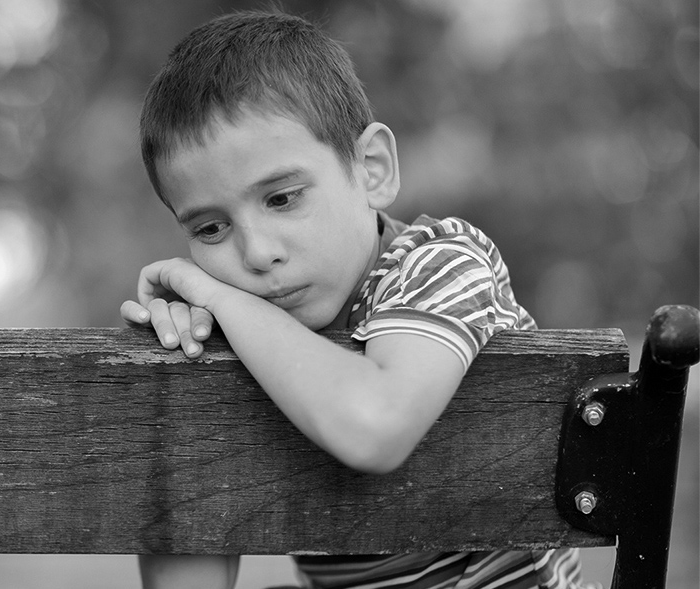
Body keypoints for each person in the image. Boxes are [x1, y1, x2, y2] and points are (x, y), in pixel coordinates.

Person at [119, 10, 584, 589]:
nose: (258, 254)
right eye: (211, 230)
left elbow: (376, 426)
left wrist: (224, 301)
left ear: (372, 169)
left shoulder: (443, 263)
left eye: (282, 198)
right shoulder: (242, 330)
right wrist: (188, 355)